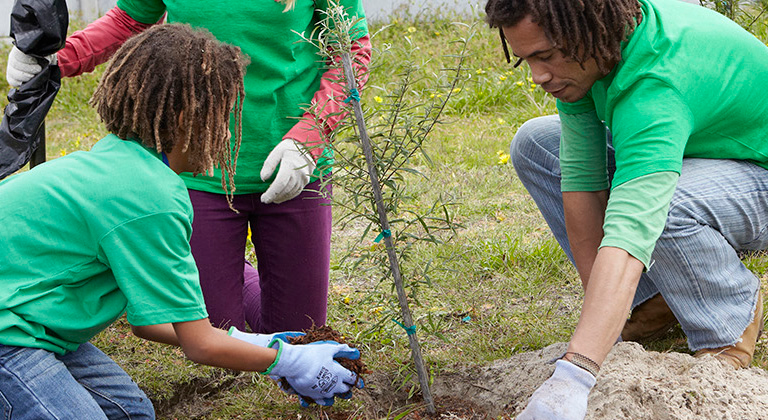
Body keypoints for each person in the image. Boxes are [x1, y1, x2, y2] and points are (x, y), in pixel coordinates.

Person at [0, 24, 363, 417]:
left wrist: (261, 344)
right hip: (10, 333)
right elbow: (200, 345)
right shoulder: (148, 197)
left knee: (133, 413)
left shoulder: (125, 162)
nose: (225, 134)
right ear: (185, 117)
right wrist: (286, 361)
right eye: (222, 118)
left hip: (34, 324)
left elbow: (150, 323)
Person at [484, 0, 768, 418]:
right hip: (703, 147)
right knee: (537, 143)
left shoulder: (655, 81)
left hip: (757, 171)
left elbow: (633, 225)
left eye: (544, 57)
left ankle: (727, 320)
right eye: (526, 60)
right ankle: (644, 299)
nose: (538, 76)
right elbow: (583, 184)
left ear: (583, 33)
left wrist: (575, 374)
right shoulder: (593, 54)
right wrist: (604, 332)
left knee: (662, 206)